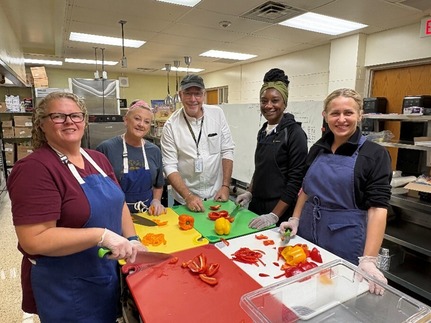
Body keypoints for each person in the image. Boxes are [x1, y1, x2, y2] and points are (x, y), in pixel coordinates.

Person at [7, 92, 147, 322]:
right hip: (66, 285)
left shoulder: (97, 159)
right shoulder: (34, 169)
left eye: (75, 115)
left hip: (102, 273)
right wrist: (100, 235)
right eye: (58, 116)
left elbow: (118, 202)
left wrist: (132, 240)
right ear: (42, 124)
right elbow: (33, 240)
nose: (70, 121)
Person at [280, 88, 392, 294]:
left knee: (337, 294)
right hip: (307, 231)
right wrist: (295, 218)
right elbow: (306, 188)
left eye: (348, 113)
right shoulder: (317, 148)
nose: (341, 119)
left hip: (344, 239)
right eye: (335, 113)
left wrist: (369, 259)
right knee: (301, 289)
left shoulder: (375, 154)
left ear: (360, 115)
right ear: (325, 116)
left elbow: (378, 209)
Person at [236, 68, 308, 229]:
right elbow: (260, 168)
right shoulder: (263, 131)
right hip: (256, 207)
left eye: (275, 100)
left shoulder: (295, 134)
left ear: (284, 103)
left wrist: (274, 215)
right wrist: (249, 191)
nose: (268, 106)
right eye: (264, 101)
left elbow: (295, 182)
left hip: (280, 211)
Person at [161, 74, 235, 212]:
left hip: (216, 195)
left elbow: (227, 150)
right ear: (180, 95)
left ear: (204, 95)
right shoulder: (171, 126)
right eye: (188, 94)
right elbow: (169, 165)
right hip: (185, 200)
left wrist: (225, 186)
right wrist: (188, 196)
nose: (193, 99)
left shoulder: (217, 114)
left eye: (198, 94)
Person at [97, 100, 165, 215]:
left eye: (147, 122)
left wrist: (156, 201)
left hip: (147, 213)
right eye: (137, 119)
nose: (141, 124)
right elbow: (97, 188)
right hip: (116, 213)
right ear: (126, 120)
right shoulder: (106, 149)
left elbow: (158, 185)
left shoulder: (154, 151)